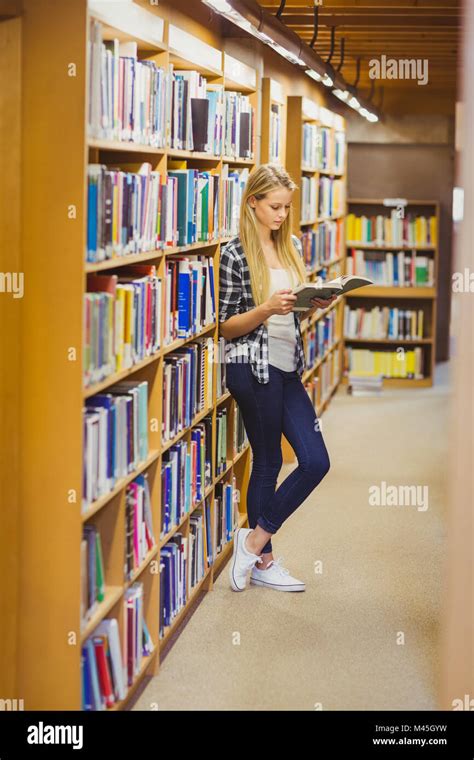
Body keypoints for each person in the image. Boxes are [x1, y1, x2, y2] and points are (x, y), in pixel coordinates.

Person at [218, 163, 337, 593]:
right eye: (274, 206)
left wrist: (314, 301)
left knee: (315, 460)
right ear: (252, 202)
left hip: (288, 365)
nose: (282, 215)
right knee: (267, 461)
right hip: (252, 368)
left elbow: (292, 307)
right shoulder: (234, 254)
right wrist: (266, 308)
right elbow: (227, 326)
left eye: (287, 207)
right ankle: (264, 561)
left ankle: (252, 542)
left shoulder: (292, 246)